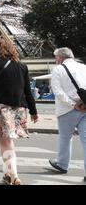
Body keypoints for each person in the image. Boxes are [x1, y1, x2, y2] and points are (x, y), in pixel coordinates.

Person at [0, 38, 38, 185]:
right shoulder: (22, 66)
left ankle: (14, 175)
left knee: (6, 142)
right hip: (18, 108)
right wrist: (33, 111)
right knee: (5, 141)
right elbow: (27, 91)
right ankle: (7, 174)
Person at [48, 48, 86, 182]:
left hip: (66, 110)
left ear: (60, 57)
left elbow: (57, 91)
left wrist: (72, 104)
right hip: (85, 108)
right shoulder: (83, 67)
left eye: (55, 58)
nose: (55, 60)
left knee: (65, 138)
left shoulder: (58, 69)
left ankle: (62, 164)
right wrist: (82, 103)